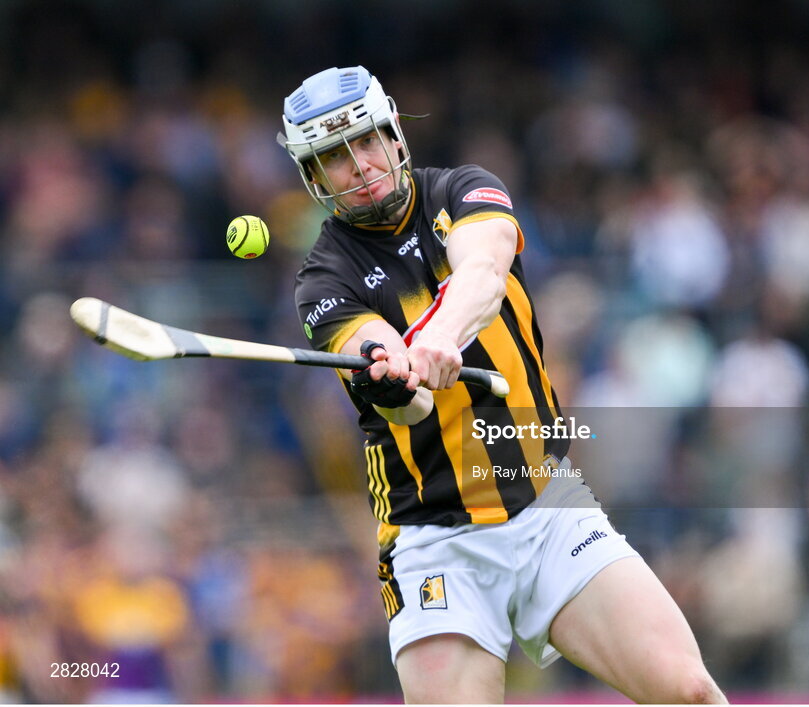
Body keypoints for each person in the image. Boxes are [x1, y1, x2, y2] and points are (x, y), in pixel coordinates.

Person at [280, 65, 727, 703]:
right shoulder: (323, 281)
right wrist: (395, 379)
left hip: (550, 506)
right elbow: (401, 401)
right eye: (335, 158)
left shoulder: (465, 189)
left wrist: (438, 336)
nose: (361, 164)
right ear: (314, 177)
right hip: (435, 537)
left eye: (367, 140)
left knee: (690, 691)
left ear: (395, 133)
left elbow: (484, 273)